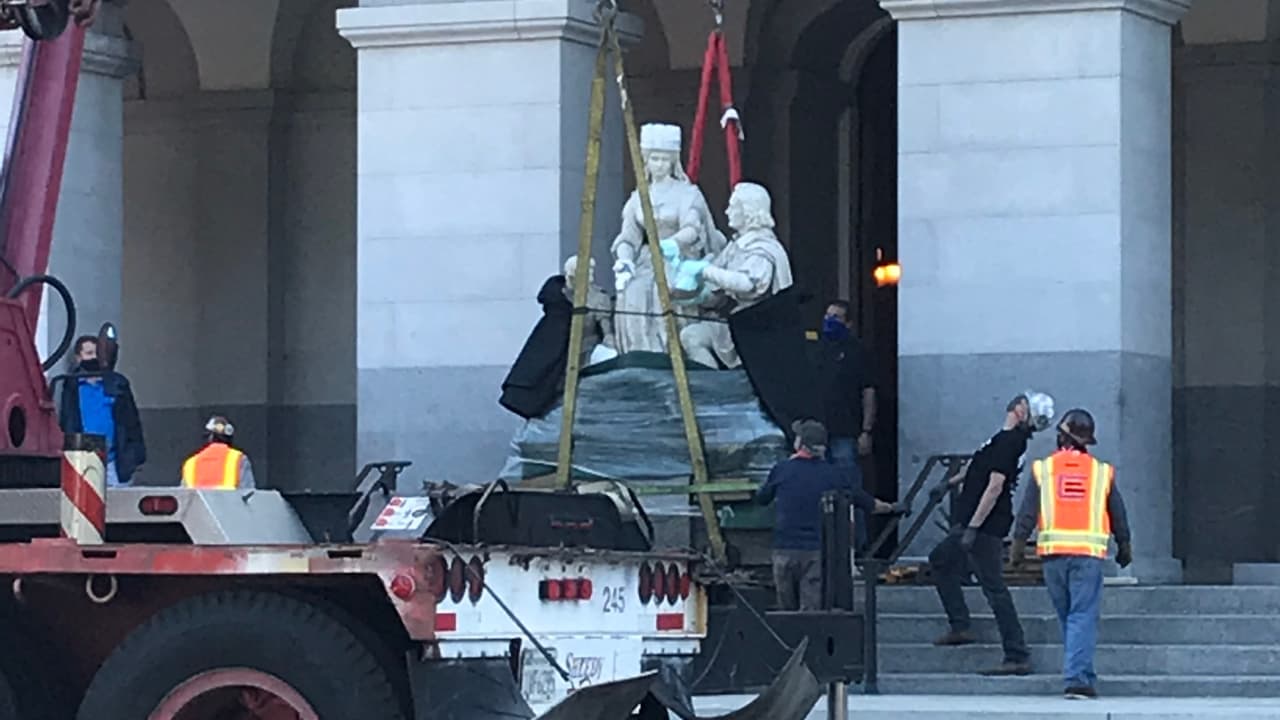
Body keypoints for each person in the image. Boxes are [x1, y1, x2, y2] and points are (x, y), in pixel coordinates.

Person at [1010, 408, 1133, 700]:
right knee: (1081, 616)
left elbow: (1028, 511)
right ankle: (1078, 678)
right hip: (1087, 557)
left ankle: (1081, 673)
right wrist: (1124, 545)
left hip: (1053, 556)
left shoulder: (1044, 469)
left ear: (1061, 436)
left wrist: (1017, 545)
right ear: (1086, 441)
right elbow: (1117, 511)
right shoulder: (1101, 471)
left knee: (1070, 617)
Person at [927, 392, 1053, 676]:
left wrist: (973, 527)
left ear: (1024, 413)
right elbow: (978, 466)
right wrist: (950, 484)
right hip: (975, 522)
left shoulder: (1010, 442)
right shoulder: (1001, 438)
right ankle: (960, 625)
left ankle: (1016, 653)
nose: (1018, 400)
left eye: (1024, 402)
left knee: (994, 587)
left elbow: (995, 486)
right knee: (941, 561)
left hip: (985, 525)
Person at [755, 418, 894, 611]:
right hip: (815, 552)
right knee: (811, 613)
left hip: (784, 550)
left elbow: (762, 498)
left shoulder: (782, 470)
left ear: (800, 444)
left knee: (786, 611)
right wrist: (891, 507)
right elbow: (868, 503)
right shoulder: (834, 475)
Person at [813, 300, 876, 552]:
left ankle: (856, 549)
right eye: (827, 315)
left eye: (836, 317)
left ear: (848, 323)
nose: (829, 321)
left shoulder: (857, 351)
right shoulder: (816, 349)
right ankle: (826, 549)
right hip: (818, 436)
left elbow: (869, 391)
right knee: (819, 493)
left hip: (846, 434)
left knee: (849, 491)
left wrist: (866, 430)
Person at [58, 336, 146, 487]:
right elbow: (66, 422)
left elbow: (132, 423)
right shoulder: (70, 386)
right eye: (89, 353)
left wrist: (135, 457)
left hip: (115, 463)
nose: (94, 358)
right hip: (83, 461)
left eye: (97, 353)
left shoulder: (117, 384)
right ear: (79, 358)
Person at [181, 415, 256, 490]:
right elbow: (248, 494)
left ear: (209, 437)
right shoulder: (238, 459)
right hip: (229, 502)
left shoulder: (190, 463)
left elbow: (183, 497)